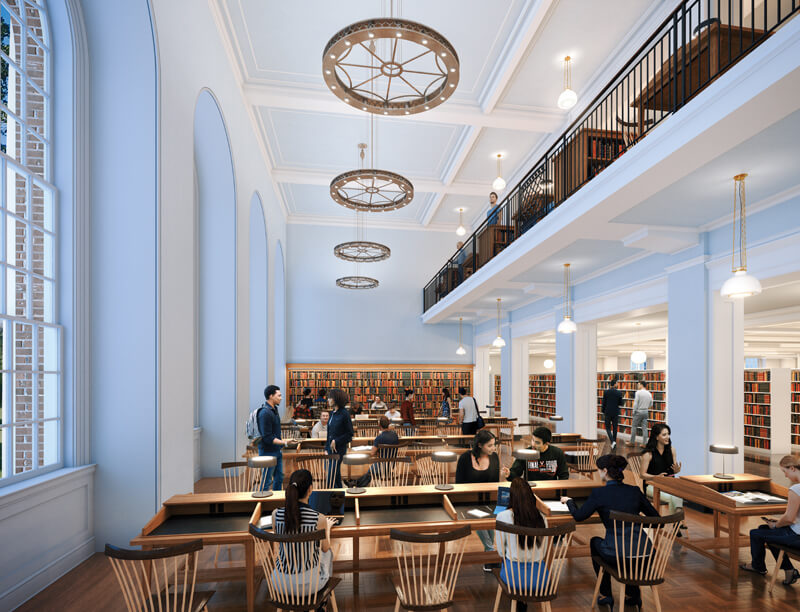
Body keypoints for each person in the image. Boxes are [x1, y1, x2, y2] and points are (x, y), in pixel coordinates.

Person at [561, 454, 659, 609]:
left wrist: (570, 502)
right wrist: (634, 522)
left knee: (595, 542)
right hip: (645, 554)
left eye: (599, 470)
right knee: (627, 550)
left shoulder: (599, 493)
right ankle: (632, 594)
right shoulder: (635, 491)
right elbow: (656, 521)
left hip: (617, 555)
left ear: (605, 471)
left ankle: (606, 594)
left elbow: (579, 516)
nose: (599, 473)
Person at [270, 469, 337, 595]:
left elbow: (279, 546)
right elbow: (325, 548)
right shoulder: (319, 518)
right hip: (308, 585)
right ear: (310, 489)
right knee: (328, 554)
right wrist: (327, 528)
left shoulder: (276, 514)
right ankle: (323, 602)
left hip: (279, 583)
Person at [741, 454, 800, 585]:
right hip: (797, 531)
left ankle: (758, 567)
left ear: (792, 468)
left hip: (797, 536)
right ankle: (789, 571)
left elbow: (789, 518)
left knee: (756, 534)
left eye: (785, 472)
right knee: (763, 529)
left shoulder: (796, 489)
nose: (785, 476)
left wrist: (776, 525)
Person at [456, 430, 510, 571]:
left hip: (488, 500)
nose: (494, 448)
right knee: (480, 517)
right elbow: (459, 484)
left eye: (494, 445)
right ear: (479, 445)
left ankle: (489, 553)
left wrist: (503, 477)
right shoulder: (464, 459)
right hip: (468, 501)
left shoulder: (494, 457)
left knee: (493, 516)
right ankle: (490, 551)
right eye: (490, 446)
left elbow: (495, 484)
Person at [495, 478, 549, 611]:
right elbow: (544, 551)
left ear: (511, 497)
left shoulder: (503, 516)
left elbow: (501, 552)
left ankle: (521, 602)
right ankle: (522, 602)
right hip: (540, 577)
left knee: (505, 563)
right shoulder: (542, 518)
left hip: (514, 576)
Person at [640, 423, 684, 515]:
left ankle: (677, 521)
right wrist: (656, 477)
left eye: (668, 434)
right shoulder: (648, 454)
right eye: (664, 435)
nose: (667, 437)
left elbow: (673, 470)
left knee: (677, 493)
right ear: (656, 437)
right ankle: (678, 519)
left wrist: (676, 470)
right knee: (675, 496)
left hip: (669, 484)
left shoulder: (672, 450)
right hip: (652, 486)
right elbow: (642, 475)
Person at [257, 385, 294, 492]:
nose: (281, 398)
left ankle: (276, 501)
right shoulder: (265, 413)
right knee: (267, 480)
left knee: (279, 477)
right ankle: (263, 503)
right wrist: (284, 442)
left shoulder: (274, 410)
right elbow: (267, 437)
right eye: (279, 395)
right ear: (271, 396)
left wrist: (283, 443)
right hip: (267, 451)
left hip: (276, 450)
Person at [355, 416, 401, 488]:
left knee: (370, 471)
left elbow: (372, 453)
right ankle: (355, 483)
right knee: (371, 472)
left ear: (379, 425)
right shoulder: (395, 435)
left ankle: (357, 485)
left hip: (382, 465)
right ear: (388, 424)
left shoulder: (379, 437)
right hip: (392, 464)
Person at [325, 388, 353, 488]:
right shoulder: (332, 413)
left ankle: (331, 500)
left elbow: (350, 434)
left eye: (330, 398)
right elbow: (329, 434)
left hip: (338, 450)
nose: (328, 400)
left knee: (330, 478)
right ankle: (340, 499)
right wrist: (326, 448)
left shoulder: (344, 414)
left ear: (336, 399)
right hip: (330, 450)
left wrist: (336, 441)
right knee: (335, 477)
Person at [601, 375, 624, 449]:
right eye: (616, 383)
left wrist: (603, 411)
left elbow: (603, 403)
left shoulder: (606, 392)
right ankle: (614, 442)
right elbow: (621, 403)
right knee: (614, 427)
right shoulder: (619, 393)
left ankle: (612, 441)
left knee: (607, 427)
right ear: (614, 384)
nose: (617, 384)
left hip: (607, 412)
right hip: (615, 412)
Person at [628, 380, 652, 447]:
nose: (637, 386)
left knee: (634, 426)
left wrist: (633, 411)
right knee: (644, 428)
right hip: (646, 412)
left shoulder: (638, 392)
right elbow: (651, 404)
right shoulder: (649, 393)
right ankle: (644, 443)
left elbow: (635, 403)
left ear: (641, 385)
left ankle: (632, 442)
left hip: (638, 411)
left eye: (638, 384)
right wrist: (646, 407)